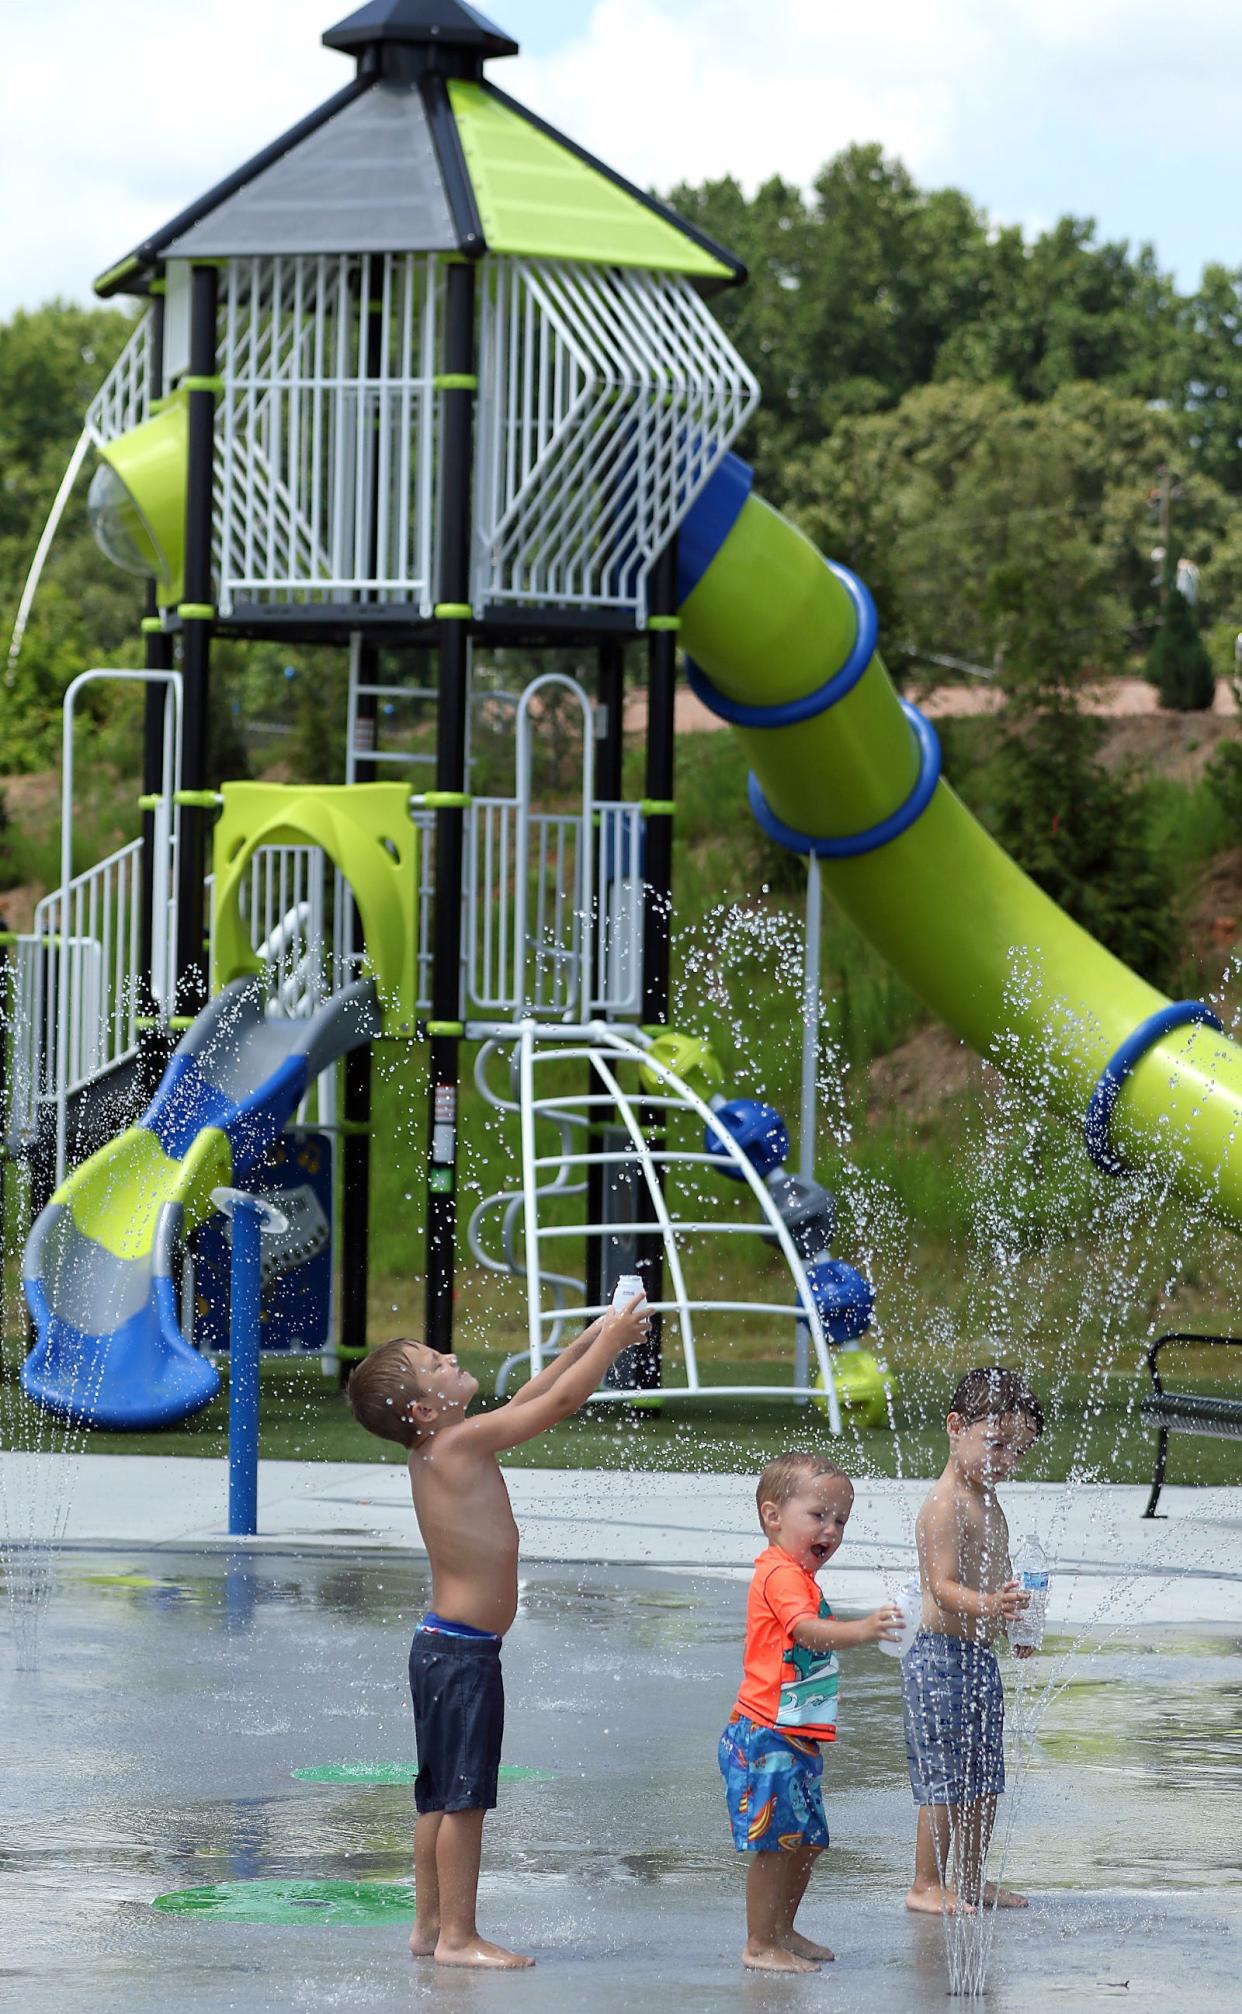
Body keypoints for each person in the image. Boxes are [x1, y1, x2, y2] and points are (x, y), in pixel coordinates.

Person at [345, 1293, 650, 1969]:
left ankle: (428, 1928)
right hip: (462, 1658)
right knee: (465, 1801)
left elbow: (535, 1394)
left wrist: (590, 1339)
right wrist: (613, 1343)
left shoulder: (440, 1445)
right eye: (437, 1363)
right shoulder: (455, 1443)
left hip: (443, 1648)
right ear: (425, 1410)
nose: (452, 1358)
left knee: (438, 1797)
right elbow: (557, 1407)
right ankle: (459, 1936)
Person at [718, 1451, 903, 1973]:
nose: (832, 1529)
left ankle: (782, 1928)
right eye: (818, 1516)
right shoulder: (781, 1575)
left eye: (840, 1520)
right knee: (777, 1844)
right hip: (765, 1735)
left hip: (795, 1735)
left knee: (809, 1841)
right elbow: (805, 1632)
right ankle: (759, 1943)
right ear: (773, 1516)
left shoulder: (800, 1576)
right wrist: (862, 1631)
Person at [902, 1365, 1045, 1916]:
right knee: (944, 1777)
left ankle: (968, 1878)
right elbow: (940, 1590)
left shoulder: (991, 1504)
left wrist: (1013, 1623)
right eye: (997, 1444)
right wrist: (991, 1605)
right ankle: (925, 1883)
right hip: (939, 1660)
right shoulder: (945, 1504)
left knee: (984, 1776)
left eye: (1019, 1452)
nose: (1006, 1461)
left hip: (979, 1658)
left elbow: (996, 1579)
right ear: (956, 1426)